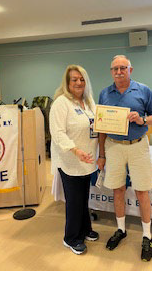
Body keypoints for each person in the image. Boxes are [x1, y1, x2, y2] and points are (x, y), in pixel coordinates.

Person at [97, 55, 152, 262]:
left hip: (137, 146)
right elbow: (101, 129)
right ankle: (121, 229)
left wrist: (142, 119)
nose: (118, 72)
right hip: (114, 147)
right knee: (118, 189)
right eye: (115, 68)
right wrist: (101, 154)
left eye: (122, 68)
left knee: (142, 191)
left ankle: (147, 235)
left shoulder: (143, 90)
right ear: (111, 72)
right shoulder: (104, 94)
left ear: (130, 70)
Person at [50, 65, 99, 255]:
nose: (78, 83)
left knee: (84, 197)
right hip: (70, 160)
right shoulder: (61, 103)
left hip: (87, 160)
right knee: (74, 200)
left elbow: (97, 124)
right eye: (74, 79)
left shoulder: (89, 101)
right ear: (67, 83)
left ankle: (85, 229)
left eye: (82, 79)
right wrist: (76, 150)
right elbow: (58, 133)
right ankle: (71, 238)